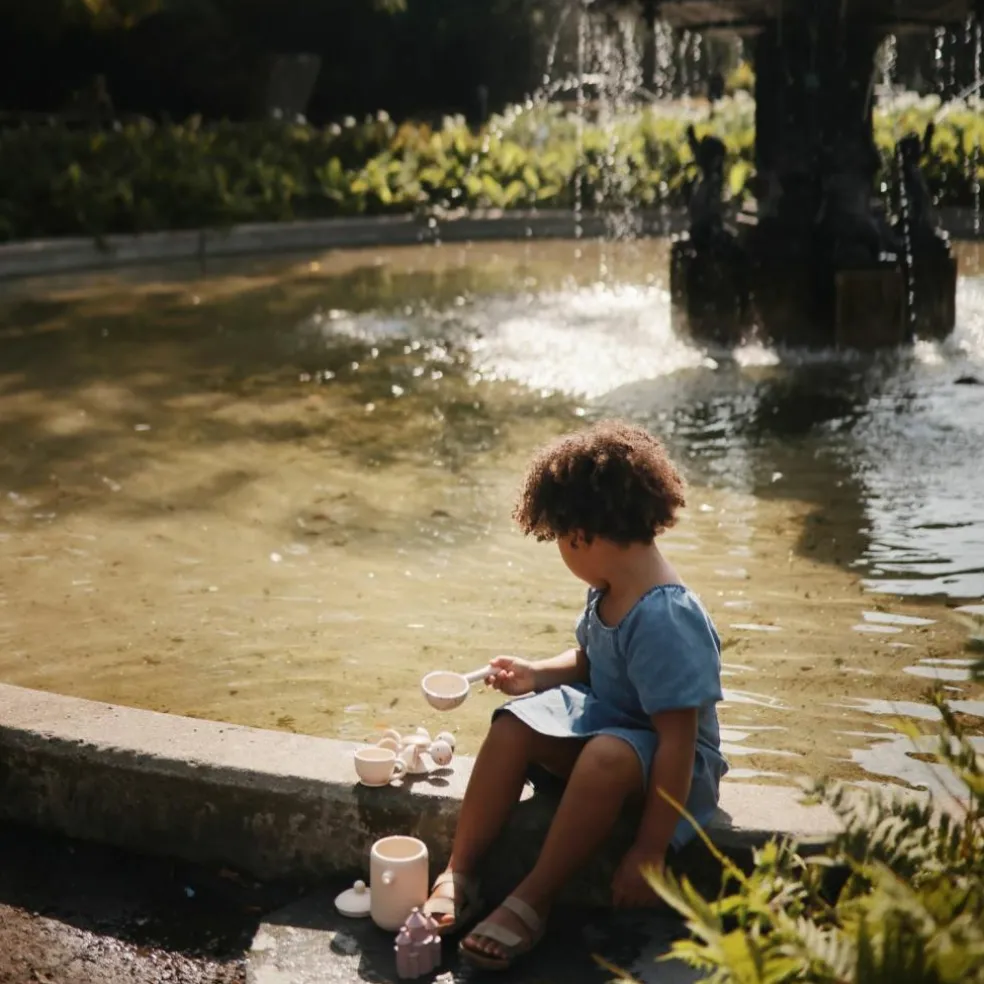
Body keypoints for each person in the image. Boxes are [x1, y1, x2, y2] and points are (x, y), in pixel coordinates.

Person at [423, 420, 728, 971]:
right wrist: (535, 674)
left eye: (559, 539)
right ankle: (459, 871)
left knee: (607, 755)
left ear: (581, 534)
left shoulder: (665, 617)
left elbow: (679, 743)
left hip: (667, 768)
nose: (562, 551)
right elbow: (589, 661)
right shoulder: (608, 589)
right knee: (514, 722)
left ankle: (532, 900)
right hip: (607, 730)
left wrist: (649, 850)